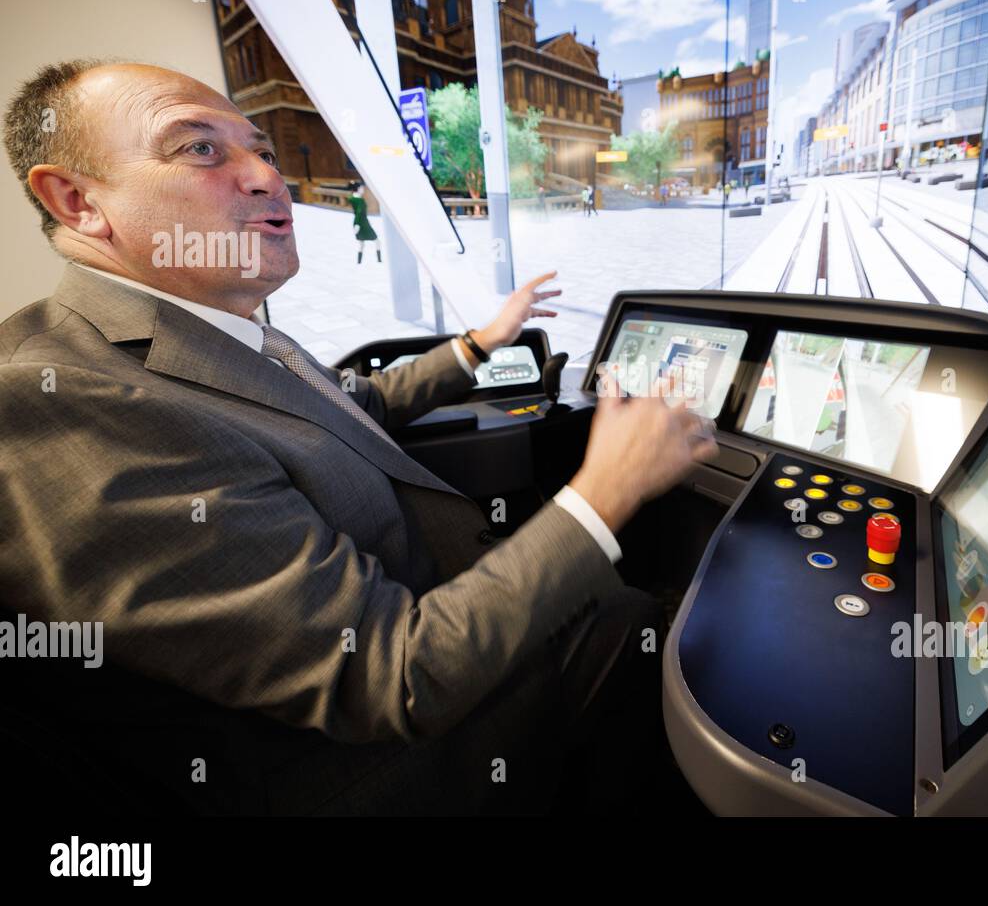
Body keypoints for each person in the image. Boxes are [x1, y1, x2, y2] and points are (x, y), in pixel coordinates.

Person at [0, 60, 717, 814]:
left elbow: (351, 405)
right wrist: (607, 491)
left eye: (264, 151)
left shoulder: (221, 325)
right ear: (77, 200)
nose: (267, 178)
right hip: (363, 765)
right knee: (634, 622)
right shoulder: (58, 400)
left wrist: (478, 344)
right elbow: (393, 676)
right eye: (200, 149)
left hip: (400, 641)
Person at [348, 181, 380, 264]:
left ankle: (359, 262)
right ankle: (379, 260)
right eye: (362, 188)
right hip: (363, 223)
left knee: (361, 243)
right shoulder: (360, 201)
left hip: (359, 222)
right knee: (376, 241)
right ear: (358, 189)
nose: (363, 189)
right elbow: (359, 212)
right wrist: (358, 224)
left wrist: (356, 224)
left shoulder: (352, 198)